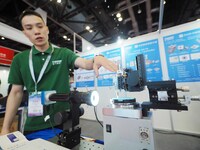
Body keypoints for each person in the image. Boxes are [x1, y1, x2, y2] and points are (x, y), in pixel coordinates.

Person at [0, 10, 118, 137]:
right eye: (29, 28)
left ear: (47, 29)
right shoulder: (20, 59)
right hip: (33, 124)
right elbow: (16, 93)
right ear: (25, 33)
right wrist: (5, 127)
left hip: (62, 121)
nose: (36, 31)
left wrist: (96, 59)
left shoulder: (63, 53)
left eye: (39, 26)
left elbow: (85, 63)